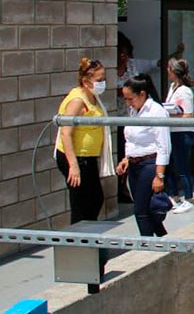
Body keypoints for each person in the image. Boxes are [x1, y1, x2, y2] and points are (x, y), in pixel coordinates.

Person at [116, 74, 171, 238]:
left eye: (130, 98)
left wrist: (159, 176)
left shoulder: (156, 112)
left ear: (142, 94)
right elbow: (131, 139)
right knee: (146, 209)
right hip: (134, 164)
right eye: (125, 99)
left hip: (150, 164)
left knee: (141, 211)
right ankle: (164, 240)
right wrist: (126, 158)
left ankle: (147, 248)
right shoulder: (134, 110)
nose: (128, 103)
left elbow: (164, 146)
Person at [56, 58, 107, 225]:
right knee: (82, 204)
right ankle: (79, 244)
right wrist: (74, 166)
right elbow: (66, 133)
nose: (103, 83)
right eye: (99, 80)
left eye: (104, 79)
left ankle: (89, 239)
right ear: (86, 81)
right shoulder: (77, 101)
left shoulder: (93, 97)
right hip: (76, 158)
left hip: (88, 158)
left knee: (95, 199)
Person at [164, 58, 194, 213]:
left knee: (183, 167)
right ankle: (173, 195)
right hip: (171, 131)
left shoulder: (185, 91)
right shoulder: (172, 87)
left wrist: (172, 116)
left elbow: (188, 115)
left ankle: (189, 199)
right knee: (169, 165)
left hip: (182, 133)